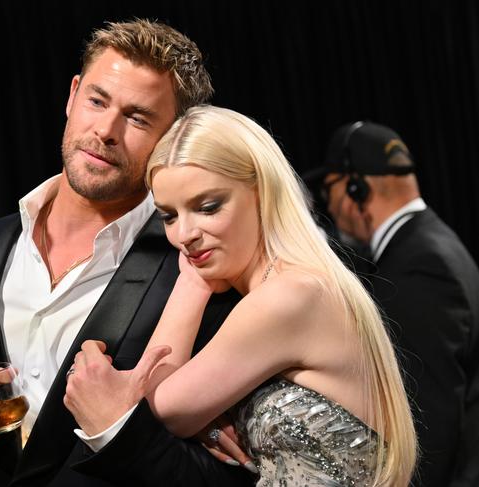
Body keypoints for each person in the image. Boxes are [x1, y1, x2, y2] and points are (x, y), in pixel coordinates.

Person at [0, 19, 255, 487]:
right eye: (97, 100)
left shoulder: (195, 267)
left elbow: (226, 474)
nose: (106, 130)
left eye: (138, 117)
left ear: (172, 138)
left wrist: (126, 431)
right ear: (72, 95)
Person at [63, 106, 418, 486]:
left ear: (261, 193)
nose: (184, 234)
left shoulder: (289, 295)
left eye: (207, 207)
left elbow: (161, 408)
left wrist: (191, 285)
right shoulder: (295, 285)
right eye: (169, 215)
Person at [304, 121, 479, 486]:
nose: (330, 204)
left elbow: (430, 410)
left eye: (329, 188)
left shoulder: (419, 264)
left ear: (356, 187)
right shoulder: (433, 242)